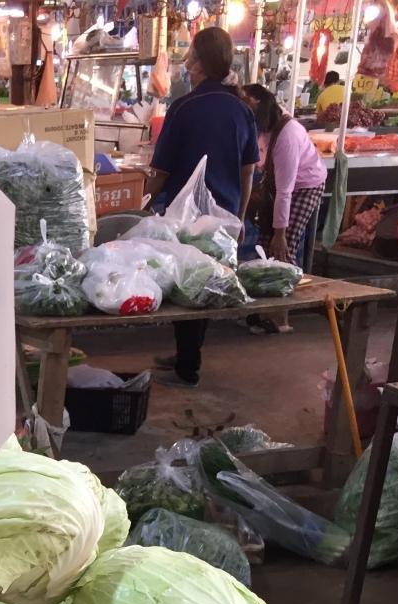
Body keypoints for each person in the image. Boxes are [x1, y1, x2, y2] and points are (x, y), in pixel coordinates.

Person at [145, 27, 258, 387]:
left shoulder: (184, 108)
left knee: (187, 283)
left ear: (197, 63)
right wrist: (240, 217)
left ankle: (188, 365)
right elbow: (248, 171)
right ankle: (187, 355)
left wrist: (141, 205)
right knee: (205, 282)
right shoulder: (242, 110)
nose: (185, 63)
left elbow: (161, 172)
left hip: (187, 217)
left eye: (189, 56)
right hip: (225, 214)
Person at [243, 83, 326, 333]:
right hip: (278, 188)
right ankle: (262, 311)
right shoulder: (265, 128)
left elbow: (285, 191)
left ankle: (281, 318)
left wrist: (280, 233)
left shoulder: (287, 135)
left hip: (305, 186)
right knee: (265, 245)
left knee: (282, 246)